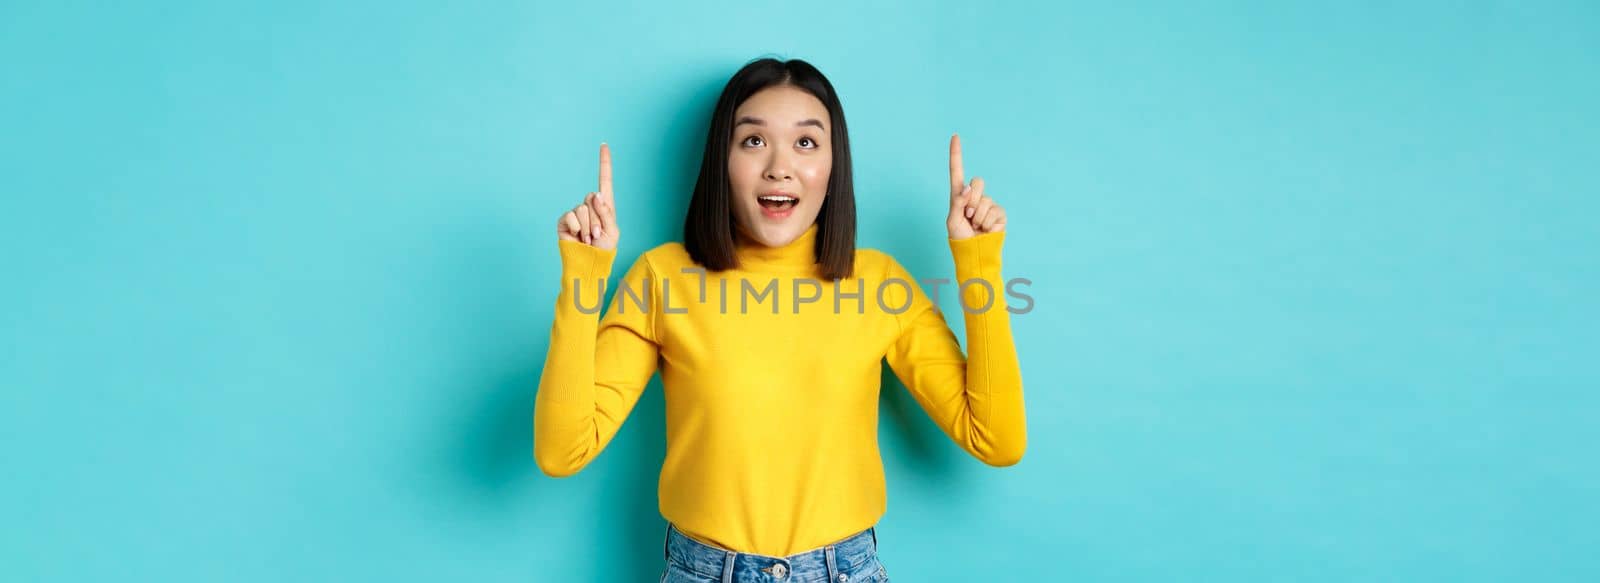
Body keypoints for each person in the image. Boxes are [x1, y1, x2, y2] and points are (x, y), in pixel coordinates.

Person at [535, 57, 1025, 583]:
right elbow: (562, 450)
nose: (779, 167)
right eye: (752, 141)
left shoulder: (882, 285)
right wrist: (584, 276)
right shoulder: (661, 278)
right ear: (722, 160)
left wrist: (978, 266)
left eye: (807, 143)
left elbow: (996, 439)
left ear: (834, 166)